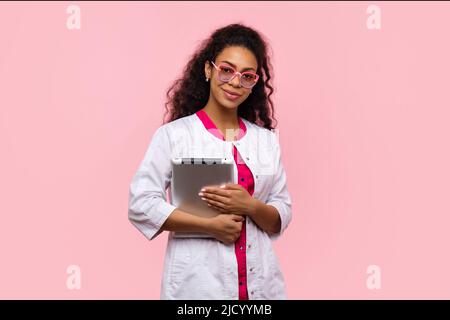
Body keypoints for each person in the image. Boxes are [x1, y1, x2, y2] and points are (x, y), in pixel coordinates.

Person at [128, 23, 292, 299]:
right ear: (208, 69)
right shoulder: (174, 136)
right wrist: (209, 226)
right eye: (226, 70)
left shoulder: (265, 141)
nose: (235, 82)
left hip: (260, 288)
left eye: (247, 76)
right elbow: (141, 204)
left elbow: (281, 211)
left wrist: (250, 206)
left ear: (254, 84)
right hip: (198, 287)